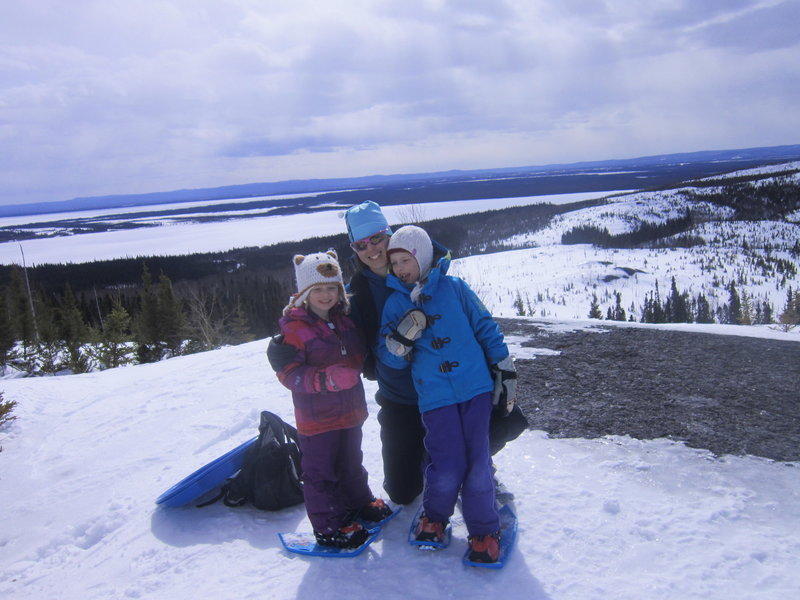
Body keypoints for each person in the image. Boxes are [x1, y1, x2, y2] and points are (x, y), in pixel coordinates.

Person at [267, 201, 527, 507]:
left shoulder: (424, 266)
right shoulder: (357, 292)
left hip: (456, 384)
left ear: (391, 235)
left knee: (509, 422)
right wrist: (283, 348)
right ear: (354, 248)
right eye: (361, 244)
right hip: (402, 396)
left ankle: (473, 464)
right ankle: (443, 459)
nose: (372, 249)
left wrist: (498, 364)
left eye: (377, 238)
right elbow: (325, 323)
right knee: (403, 492)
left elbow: (474, 321)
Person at [377, 225, 512, 564]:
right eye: (395, 263)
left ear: (421, 257)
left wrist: (504, 364)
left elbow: (484, 325)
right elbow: (388, 358)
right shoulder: (395, 304)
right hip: (435, 396)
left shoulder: (455, 288)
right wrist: (400, 341)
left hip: (475, 388)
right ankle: (434, 517)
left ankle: (484, 529)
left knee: (478, 462)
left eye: (405, 260)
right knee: (447, 462)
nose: (400, 269)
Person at [275, 249, 392, 549]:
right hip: (317, 419)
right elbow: (290, 374)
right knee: (320, 473)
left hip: (350, 411)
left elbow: (356, 352)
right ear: (305, 293)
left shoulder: (344, 320)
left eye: (332, 288)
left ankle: (358, 502)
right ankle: (328, 526)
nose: (326, 296)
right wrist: (324, 379)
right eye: (318, 290)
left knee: (352, 462)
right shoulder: (295, 329)